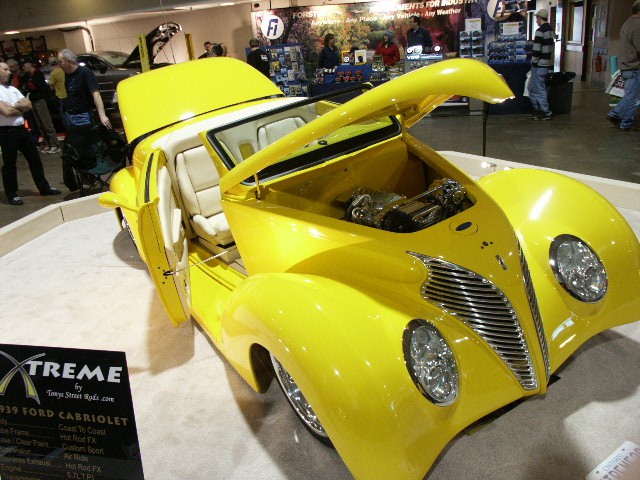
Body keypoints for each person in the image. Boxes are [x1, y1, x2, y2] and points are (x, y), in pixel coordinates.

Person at [0, 62, 61, 206]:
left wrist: (13, 106)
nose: (9, 72)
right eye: (5, 69)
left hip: (21, 130)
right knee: (10, 164)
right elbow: (6, 112)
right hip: (6, 132)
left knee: (35, 159)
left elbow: (28, 105)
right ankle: (12, 194)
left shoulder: (13, 89)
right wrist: (18, 107)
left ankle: (44, 187)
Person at [57, 48, 111, 191]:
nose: (59, 65)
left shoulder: (85, 73)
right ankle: (84, 176)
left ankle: (90, 174)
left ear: (69, 61)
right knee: (74, 149)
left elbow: (96, 94)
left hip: (83, 115)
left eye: (60, 62)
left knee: (84, 147)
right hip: (70, 115)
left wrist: (102, 115)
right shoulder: (67, 74)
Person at [606, 0, 640, 131]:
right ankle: (625, 123)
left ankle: (616, 114)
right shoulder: (637, 25)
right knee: (633, 98)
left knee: (630, 95)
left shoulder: (627, 23)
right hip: (634, 66)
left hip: (626, 66)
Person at [24, 62, 61, 154]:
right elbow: (26, 86)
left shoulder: (38, 74)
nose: (24, 68)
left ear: (30, 66)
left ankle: (55, 144)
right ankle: (48, 143)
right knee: (40, 125)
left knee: (46, 123)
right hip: (33, 101)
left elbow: (32, 87)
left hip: (40, 101)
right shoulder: (29, 76)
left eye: (25, 66)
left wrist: (27, 86)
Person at [529, 9, 555, 121]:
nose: (536, 20)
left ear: (540, 18)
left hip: (539, 65)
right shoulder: (550, 31)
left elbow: (536, 49)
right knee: (532, 88)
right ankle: (537, 110)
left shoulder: (540, 31)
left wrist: (533, 62)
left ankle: (545, 112)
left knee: (539, 89)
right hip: (546, 64)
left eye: (537, 18)